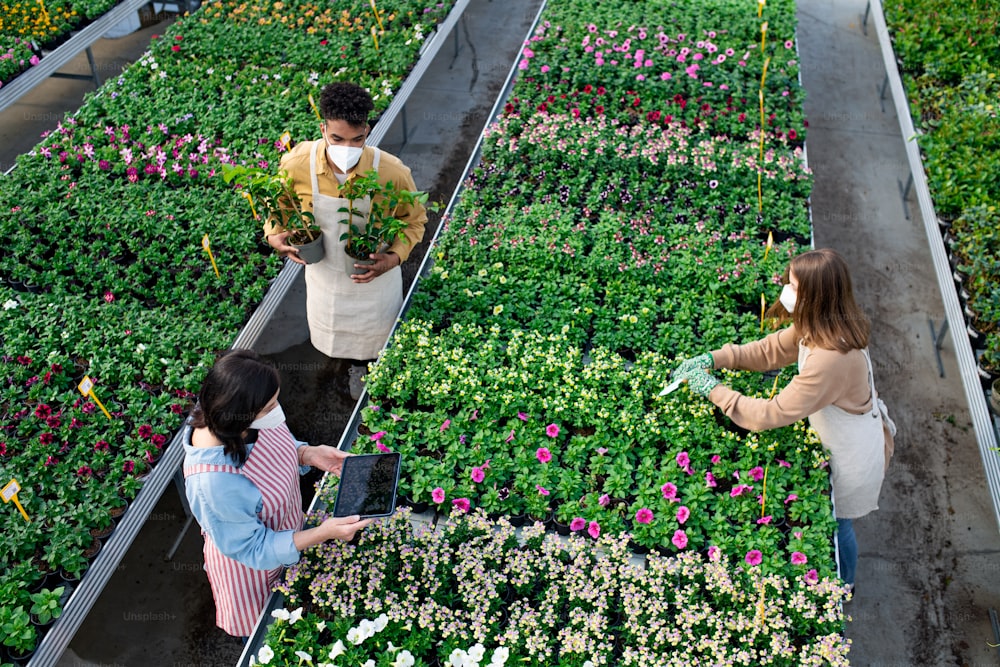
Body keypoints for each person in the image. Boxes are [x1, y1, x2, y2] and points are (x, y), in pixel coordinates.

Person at [671, 248, 895, 595]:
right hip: (838, 433)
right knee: (836, 520)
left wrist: (713, 391)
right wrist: (714, 359)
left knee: (839, 524)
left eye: (793, 286)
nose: (786, 292)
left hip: (850, 451)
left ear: (816, 296)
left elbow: (768, 414)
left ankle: (846, 585)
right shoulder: (824, 323)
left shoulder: (830, 358)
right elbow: (768, 351)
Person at [183, 349, 372, 638]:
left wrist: (308, 453)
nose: (277, 410)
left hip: (288, 530)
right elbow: (255, 549)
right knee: (270, 633)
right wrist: (324, 532)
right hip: (252, 572)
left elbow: (276, 445)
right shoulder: (213, 484)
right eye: (269, 407)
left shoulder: (239, 415)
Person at [263, 82, 428, 399]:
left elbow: (415, 219)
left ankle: (366, 368)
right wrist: (275, 233)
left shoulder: (390, 171)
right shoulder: (298, 164)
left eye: (358, 139)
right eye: (337, 138)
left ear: (367, 130)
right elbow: (277, 203)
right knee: (332, 335)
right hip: (327, 278)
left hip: (374, 283)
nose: (347, 148)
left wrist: (393, 258)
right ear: (323, 128)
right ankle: (347, 363)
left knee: (374, 340)